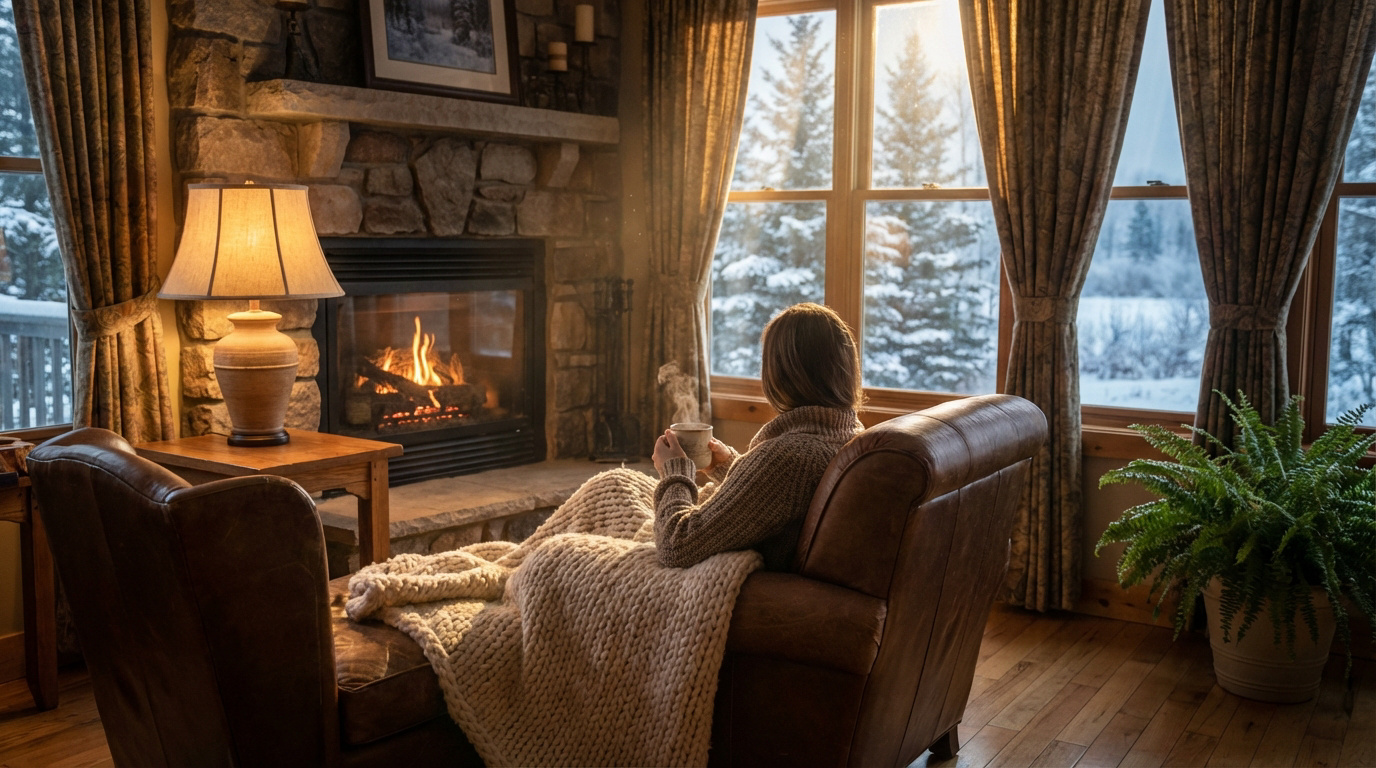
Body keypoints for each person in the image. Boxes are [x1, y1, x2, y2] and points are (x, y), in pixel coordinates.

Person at [651, 302, 865, 570]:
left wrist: (674, 471)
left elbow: (676, 546)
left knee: (614, 484)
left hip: (750, 585)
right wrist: (727, 465)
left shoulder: (790, 457)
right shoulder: (847, 432)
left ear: (778, 372)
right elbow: (778, 500)